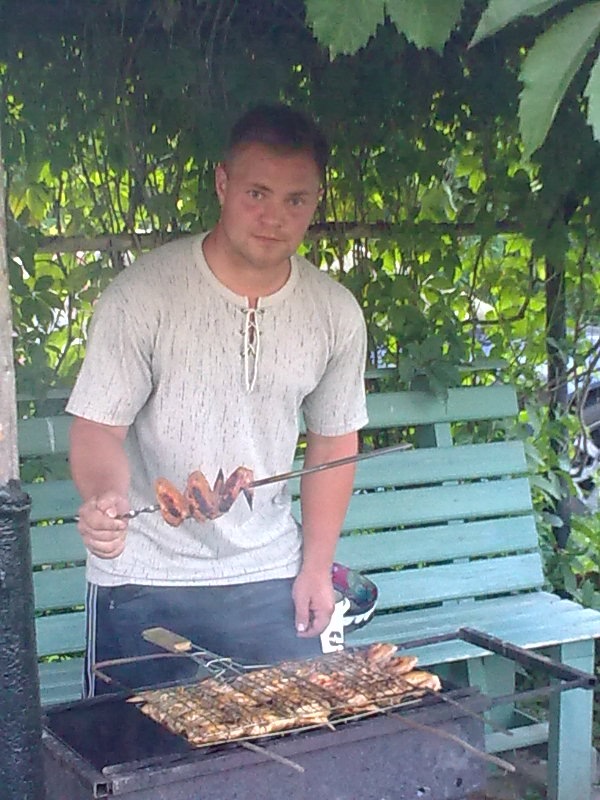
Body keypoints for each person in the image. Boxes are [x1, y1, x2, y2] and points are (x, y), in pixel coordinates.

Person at [67, 103, 369, 696]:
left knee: (293, 740)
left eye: (295, 200)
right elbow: (98, 425)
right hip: (143, 577)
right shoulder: (142, 296)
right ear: (223, 183)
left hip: (270, 574)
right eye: (257, 194)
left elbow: (334, 443)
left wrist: (316, 567)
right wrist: (104, 497)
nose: (274, 218)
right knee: (132, 750)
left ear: (316, 201)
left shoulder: (334, 312)